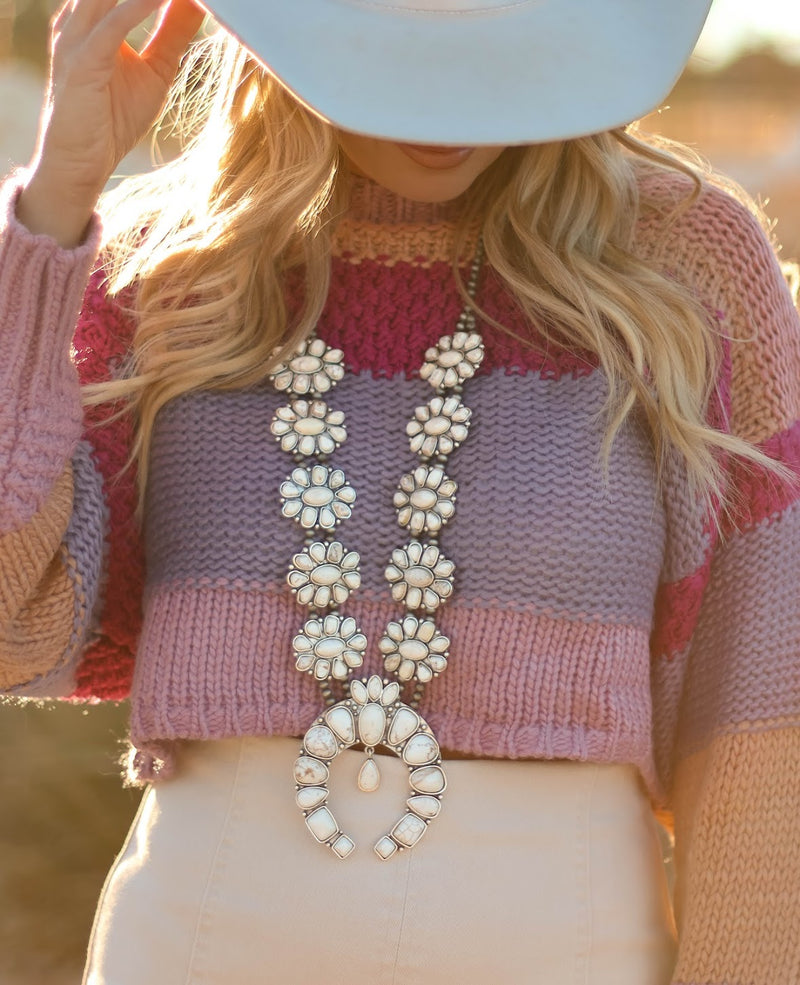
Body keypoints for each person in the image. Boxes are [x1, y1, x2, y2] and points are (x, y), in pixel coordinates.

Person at [1, 0, 798, 982]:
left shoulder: (681, 261)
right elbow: (11, 619)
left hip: (564, 943)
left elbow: (762, 707)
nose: (438, 106)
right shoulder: (162, 265)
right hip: (200, 939)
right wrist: (51, 214)